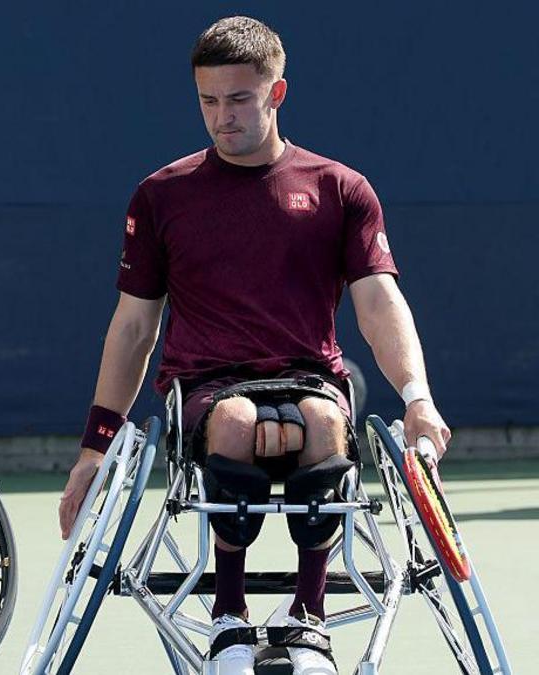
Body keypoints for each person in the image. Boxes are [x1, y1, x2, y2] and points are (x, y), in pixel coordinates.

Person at [57, 16, 450, 675]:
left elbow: (380, 301)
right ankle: (229, 618)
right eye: (208, 101)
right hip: (207, 383)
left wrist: (418, 397)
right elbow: (132, 329)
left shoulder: (339, 188)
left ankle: (309, 619)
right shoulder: (161, 196)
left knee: (325, 418)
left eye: (238, 99)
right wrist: (95, 447)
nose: (221, 117)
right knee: (237, 422)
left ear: (277, 93)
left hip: (309, 375)